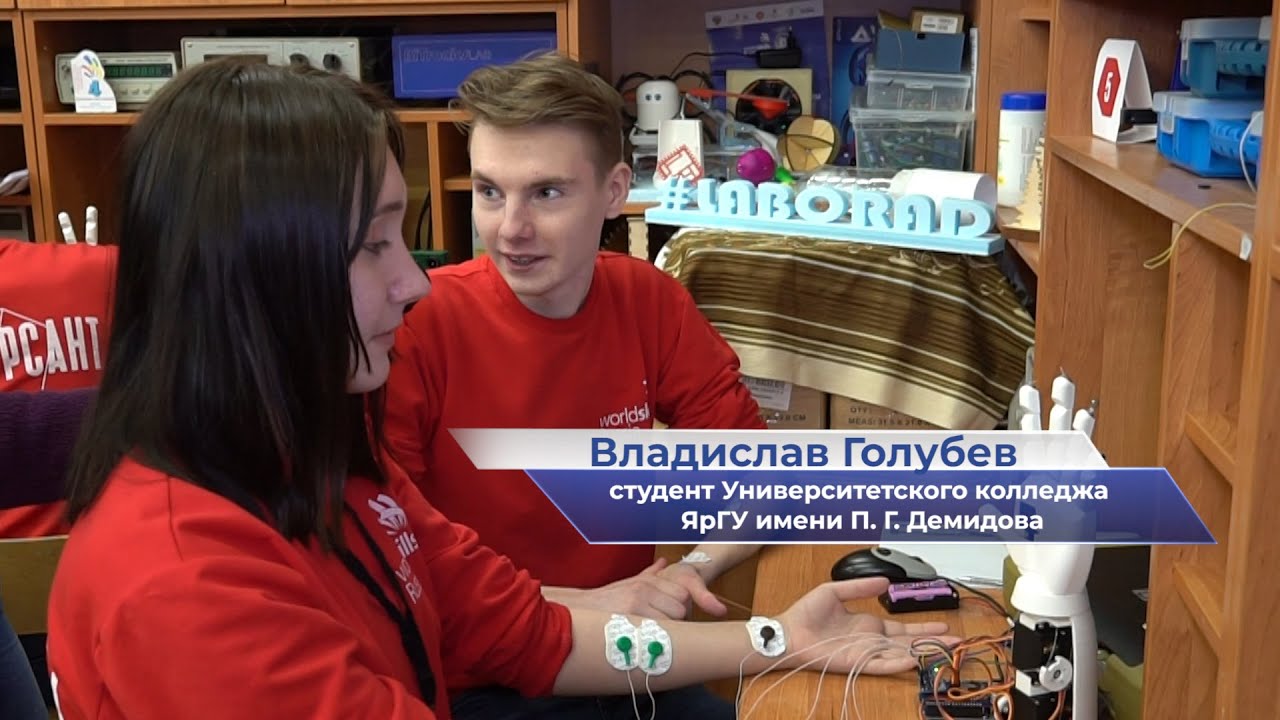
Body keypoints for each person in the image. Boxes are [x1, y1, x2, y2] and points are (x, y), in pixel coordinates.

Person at [44, 58, 954, 719]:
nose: (414, 279)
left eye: (546, 193)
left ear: (613, 193)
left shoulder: (331, 461)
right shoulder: (186, 593)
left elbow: (533, 633)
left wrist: (777, 639)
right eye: (375, 244)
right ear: (253, 275)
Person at [382, 52, 770, 717]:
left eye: (547, 193)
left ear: (615, 192)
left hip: (626, 657)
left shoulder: (648, 300)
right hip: (483, 678)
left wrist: (689, 571)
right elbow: (397, 564)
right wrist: (590, 604)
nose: (511, 229)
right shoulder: (415, 327)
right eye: (489, 192)